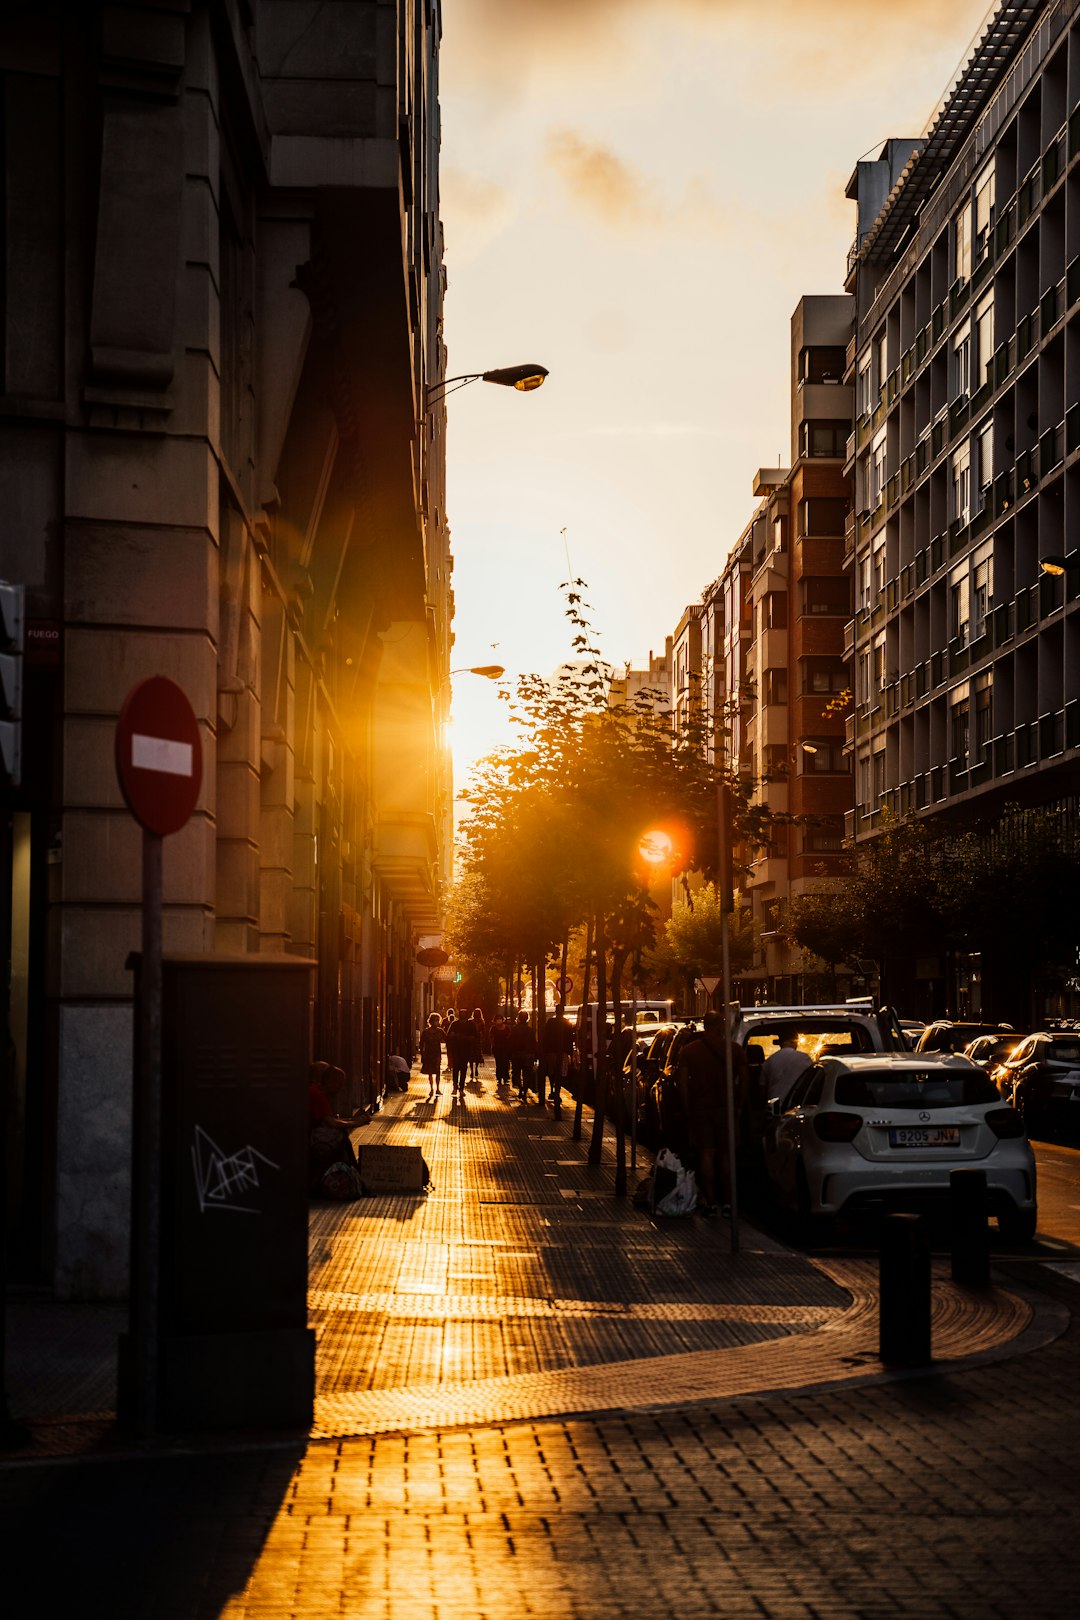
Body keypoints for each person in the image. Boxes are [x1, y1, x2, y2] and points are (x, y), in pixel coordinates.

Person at [676, 1011, 747, 1218]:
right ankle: (727, 1202)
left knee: (706, 1153)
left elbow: (682, 1083)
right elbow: (744, 1080)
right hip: (726, 1108)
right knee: (726, 1155)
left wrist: (687, 1108)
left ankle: (710, 1200)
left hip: (701, 1108)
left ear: (705, 1026)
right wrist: (740, 1105)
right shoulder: (734, 1050)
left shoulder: (690, 1051)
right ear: (720, 1026)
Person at [308, 1060, 370, 1194]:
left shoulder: (317, 1092)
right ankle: (354, 1178)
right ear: (328, 1080)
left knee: (342, 1137)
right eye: (339, 1084)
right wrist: (357, 1123)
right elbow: (332, 1123)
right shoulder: (316, 1094)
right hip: (310, 1136)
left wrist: (353, 1120)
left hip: (310, 1133)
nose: (341, 1088)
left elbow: (329, 1119)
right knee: (341, 1138)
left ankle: (356, 1177)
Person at [539, 1006, 575, 1118]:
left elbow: (545, 1037)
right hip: (563, 1052)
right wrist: (570, 1053)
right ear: (563, 1012)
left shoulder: (551, 1022)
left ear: (556, 1011)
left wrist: (544, 1051)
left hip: (551, 1052)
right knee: (561, 1072)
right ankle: (557, 1091)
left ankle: (553, 1090)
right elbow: (570, 1039)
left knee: (552, 1072)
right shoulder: (567, 1023)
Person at [760, 1033, 812, 1109]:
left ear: (780, 1043)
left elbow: (762, 1089)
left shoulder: (769, 1061)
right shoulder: (805, 1058)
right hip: (799, 1106)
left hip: (774, 1107)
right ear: (795, 1042)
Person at [444, 1014, 479, 1101]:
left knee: (462, 1069)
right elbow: (449, 1036)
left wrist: (464, 1038)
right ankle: (456, 1087)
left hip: (466, 1050)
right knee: (457, 1069)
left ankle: (460, 1088)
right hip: (456, 1050)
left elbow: (475, 1037)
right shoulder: (455, 1024)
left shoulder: (470, 1025)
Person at [509, 1010, 538, 1101]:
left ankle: (520, 1087)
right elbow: (534, 1042)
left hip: (516, 1054)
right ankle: (524, 1091)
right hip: (528, 1054)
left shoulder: (514, 1029)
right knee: (527, 1074)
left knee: (516, 1072)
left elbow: (510, 1042)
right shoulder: (530, 1030)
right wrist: (535, 1054)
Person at [419, 1012, 444, 1101]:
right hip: (429, 1054)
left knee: (437, 1072)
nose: (437, 1022)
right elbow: (421, 1043)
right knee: (430, 1072)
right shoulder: (426, 1032)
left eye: (438, 1020)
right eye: (436, 1021)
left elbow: (446, 1038)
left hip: (437, 1054)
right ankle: (431, 1088)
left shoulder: (440, 1031)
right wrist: (422, 1053)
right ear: (431, 1021)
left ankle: (437, 1088)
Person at [490, 1014, 513, 1089]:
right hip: (497, 1048)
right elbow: (491, 1037)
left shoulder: (506, 1028)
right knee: (499, 1063)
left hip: (505, 1048)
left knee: (505, 1062)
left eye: (500, 1019)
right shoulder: (493, 1028)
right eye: (497, 1019)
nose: (499, 1020)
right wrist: (492, 1045)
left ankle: (505, 1077)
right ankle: (499, 1077)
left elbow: (510, 1036)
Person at [468, 1007, 487, 1079]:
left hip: (476, 1041)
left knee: (475, 1057)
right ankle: (473, 1070)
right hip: (473, 1041)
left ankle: (475, 1069)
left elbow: (483, 1031)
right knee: (472, 1057)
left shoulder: (481, 1022)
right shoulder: (472, 1021)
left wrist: (482, 1038)